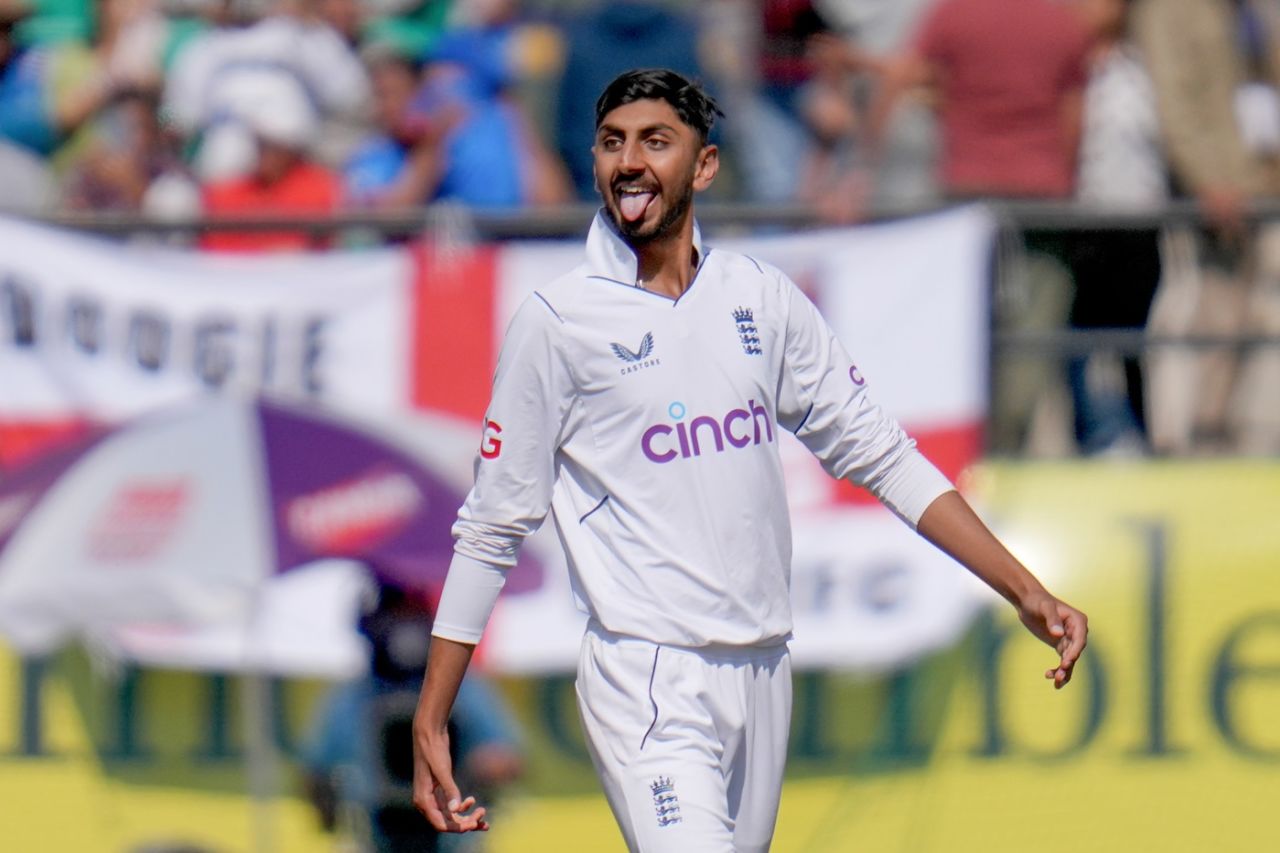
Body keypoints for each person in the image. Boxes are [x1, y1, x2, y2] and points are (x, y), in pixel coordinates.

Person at [411, 68, 1088, 852]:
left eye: (655, 142)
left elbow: (883, 455)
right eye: (612, 143)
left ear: (704, 166)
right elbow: (492, 525)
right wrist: (433, 715)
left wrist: (1023, 588)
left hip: (764, 668)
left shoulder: (759, 297)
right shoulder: (558, 322)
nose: (629, 162)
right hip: (648, 677)